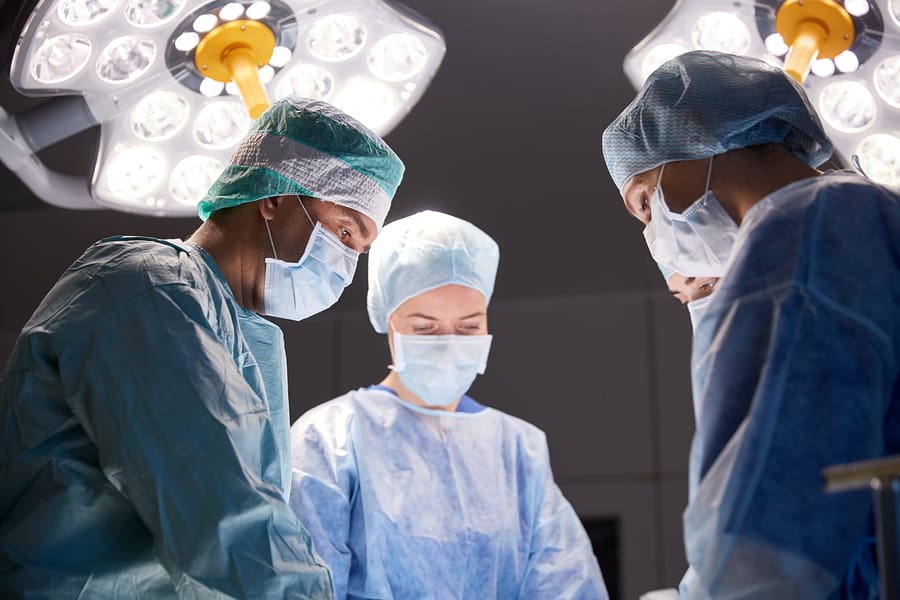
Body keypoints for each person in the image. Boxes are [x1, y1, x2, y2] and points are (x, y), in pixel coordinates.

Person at [0, 97, 405, 598]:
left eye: (359, 252)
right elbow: (230, 519)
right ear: (275, 197)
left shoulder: (249, 342)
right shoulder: (147, 290)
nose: (346, 266)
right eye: (345, 231)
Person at [602, 50, 900, 598]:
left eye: (646, 202)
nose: (654, 230)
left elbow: (769, 517)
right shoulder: (866, 212)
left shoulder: (804, 223)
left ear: (691, 139)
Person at [289, 210, 609, 599]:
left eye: (469, 326)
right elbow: (305, 587)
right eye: (424, 328)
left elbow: (566, 585)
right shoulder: (329, 439)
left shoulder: (518, 450)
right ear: (387, 323)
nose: (448, 341)